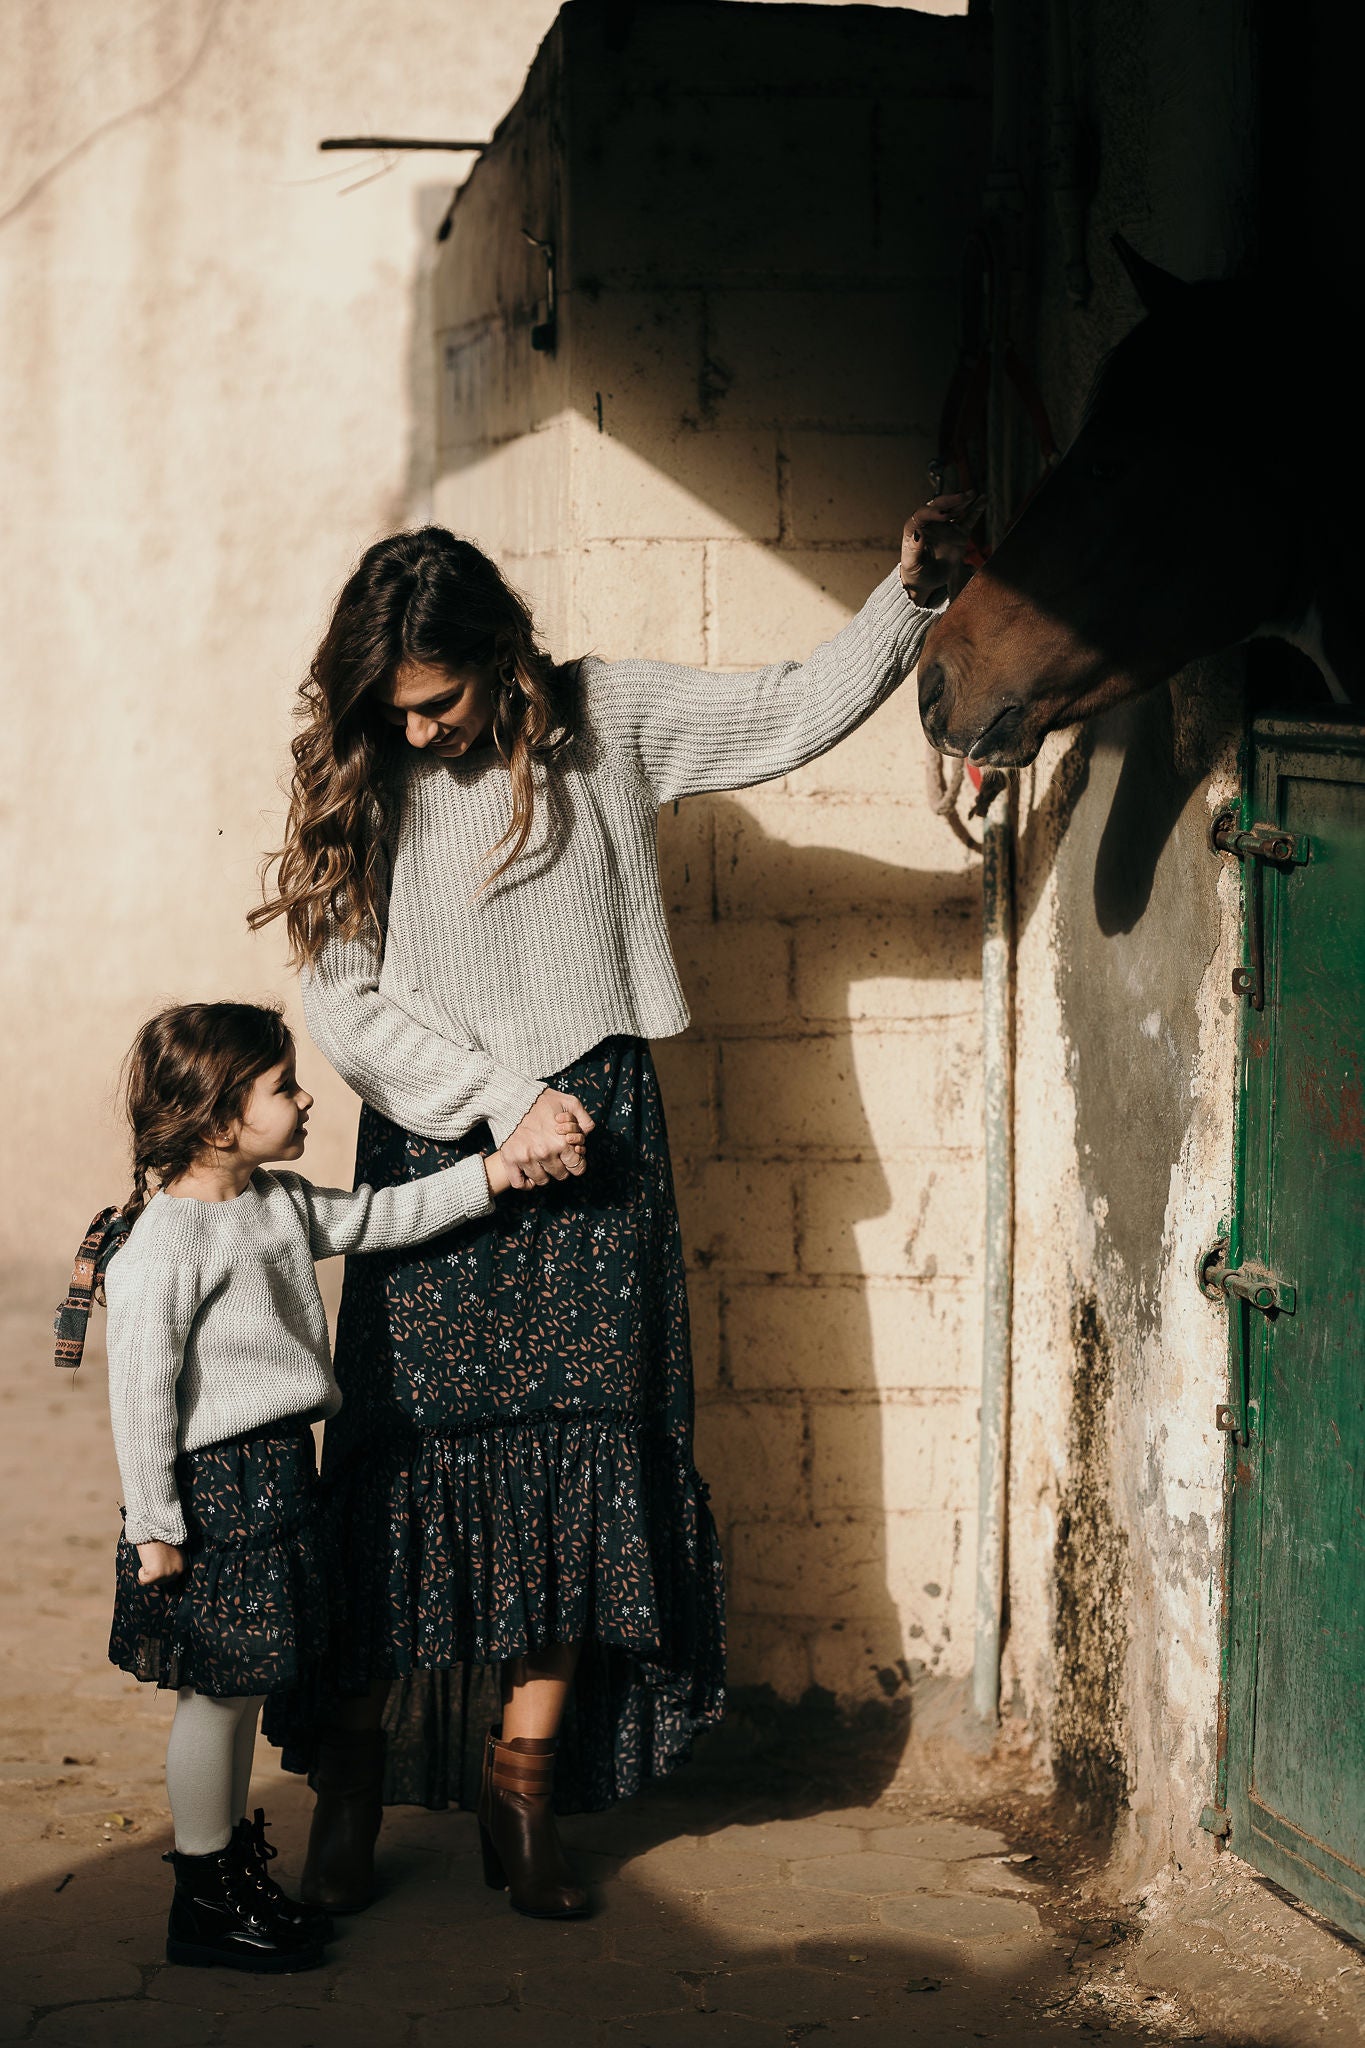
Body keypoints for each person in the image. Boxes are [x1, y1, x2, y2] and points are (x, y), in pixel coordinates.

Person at [250, 494, 977, 1922]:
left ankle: (524, 1790)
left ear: (501, 655)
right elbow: (339, 998)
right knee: (401, 1467)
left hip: (600, 1142)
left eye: (439, 703)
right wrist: (492, 1104)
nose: (419, 733)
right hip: (441, 1158)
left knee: (586, 1462)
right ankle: (349, 1776)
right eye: (393, 711)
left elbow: (789, 708)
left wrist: (908, 596)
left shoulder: (612, 719)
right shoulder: (368, 774)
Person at [80, 999, 540, 1971]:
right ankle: (203, 1895)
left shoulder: (276, 1202)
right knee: (214, 1694)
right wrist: (157, 1524)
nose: (304, 1096)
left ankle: (227, 1869)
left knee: (243, 1693)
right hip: (218, 1493)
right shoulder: (164, 1241)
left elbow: (375, 1214)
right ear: (215, 1117)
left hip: (285, 1477)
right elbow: (140, 1392)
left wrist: (491, 1173)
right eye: (281, 1084)